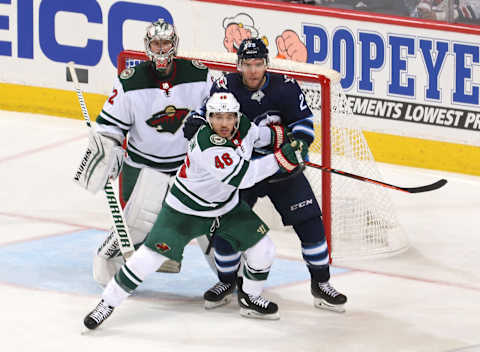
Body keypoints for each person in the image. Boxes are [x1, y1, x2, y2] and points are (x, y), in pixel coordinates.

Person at [82, 92, 307, 329]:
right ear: (208, 118)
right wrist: (282, 159)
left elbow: (258, 136)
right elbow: (245, 177)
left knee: (264, 249)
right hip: (184, 211)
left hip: (225, 208)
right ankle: (106, 303)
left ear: (236, 116)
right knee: (148, 259)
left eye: (228, 117)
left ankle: (250, 297)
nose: (223, 123)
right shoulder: (207, 143)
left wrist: (286, 139)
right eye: (217, 117)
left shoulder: (243, 124)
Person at [183, 38, 347, 313]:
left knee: (310, 223)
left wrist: (298, 146)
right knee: (225, 226)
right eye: (247, 65)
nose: (253, 71)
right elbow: (205, 116)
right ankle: (227, 282)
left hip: (280, 168)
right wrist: (196, 122)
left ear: (266, 64)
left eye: (258, 64)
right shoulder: (225, 86)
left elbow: (304, 125)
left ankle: (321, 283)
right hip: (240, 171)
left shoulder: (285, 86)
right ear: (239, 65)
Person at [73, 19, 217, 285]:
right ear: (147, 46)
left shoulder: (199, 75)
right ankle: (113, 283)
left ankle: (233, 279)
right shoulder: (131, 81)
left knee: (213, 229)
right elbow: (110, 128)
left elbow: (221, 113)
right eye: (155, 43)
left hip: (188, 171)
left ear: (174, 45)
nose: (160, 49)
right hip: (144, 171)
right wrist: (107, 151)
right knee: (132, 232)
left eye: (165, 43)